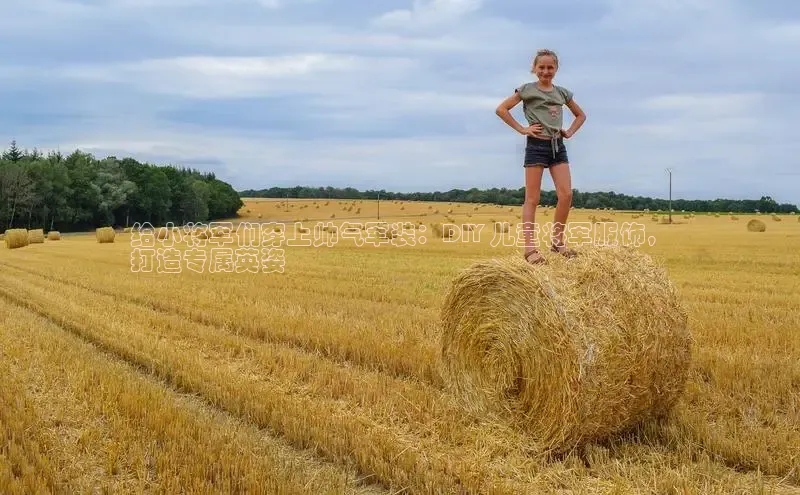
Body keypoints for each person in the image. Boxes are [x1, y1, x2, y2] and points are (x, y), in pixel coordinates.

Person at [495, 48, 586, 265]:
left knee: (566, 195)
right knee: (533, 199)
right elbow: (501, 109)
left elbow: (581, 115)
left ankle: (557, 242)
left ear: (556, 69)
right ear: (534, 69)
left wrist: (570, 132)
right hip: (536, 145)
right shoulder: (527, 90)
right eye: (541, 67)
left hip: (558, 146)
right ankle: (530, 249)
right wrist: (522, 129)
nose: (546, 71)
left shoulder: (562, 93)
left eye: (550, 67)